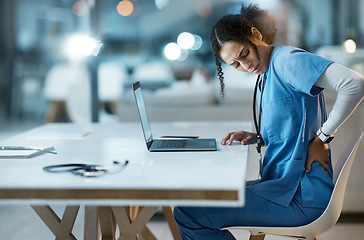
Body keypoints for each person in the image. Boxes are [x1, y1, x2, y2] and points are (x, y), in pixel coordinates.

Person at [173, 3, 364, 240]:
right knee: (198, 200)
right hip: (281, 189)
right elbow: (294, 122)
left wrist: (323, 137)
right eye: (235, 65)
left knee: (187, 213)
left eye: (245, 54)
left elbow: (355, 84)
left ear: (256, 34)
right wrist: (259, 137)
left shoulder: (287, 60)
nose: (247, 66)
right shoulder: (267, 73)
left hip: (299, 198)